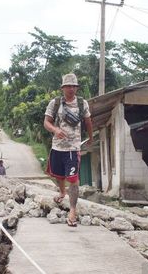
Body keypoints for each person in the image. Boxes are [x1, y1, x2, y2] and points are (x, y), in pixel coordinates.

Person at [43, 73, 93, 227]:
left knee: (73, 179)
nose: (71, 89)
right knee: (58, 175)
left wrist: (91, 137)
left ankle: (72, 210)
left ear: (76, 88)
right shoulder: (55, 103)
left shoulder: (82, 103)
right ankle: (62, 192)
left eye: (74, 86)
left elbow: (88, 121)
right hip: (57, 147)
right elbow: (46, 122)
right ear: (63, 88)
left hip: (73, 147)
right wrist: (55, 130)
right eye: (68, 86)